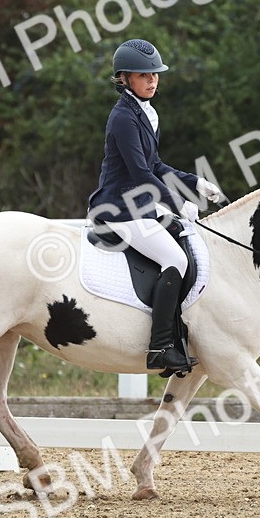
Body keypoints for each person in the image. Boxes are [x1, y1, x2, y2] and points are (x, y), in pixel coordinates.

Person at [87, 39, 226, 376]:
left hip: (140, 206)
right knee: (175, 259)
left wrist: (195, 183)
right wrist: (177, 203)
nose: (152, 81)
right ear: (124, 78)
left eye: (155, 75)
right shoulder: (123, 117)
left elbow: (157, 165)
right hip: (118, 209)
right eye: (143, 75)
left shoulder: (146, 112)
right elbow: (140, 173)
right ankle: (160, 346)